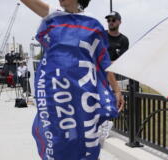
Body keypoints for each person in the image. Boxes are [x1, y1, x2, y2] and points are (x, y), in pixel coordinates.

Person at [21, 0, 124, 159]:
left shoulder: (92, 23)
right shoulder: (53, 15)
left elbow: (103, 61)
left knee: (83, 136)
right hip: (56, 92)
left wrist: (117, 90)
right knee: (57, 134)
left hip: (82, 94)